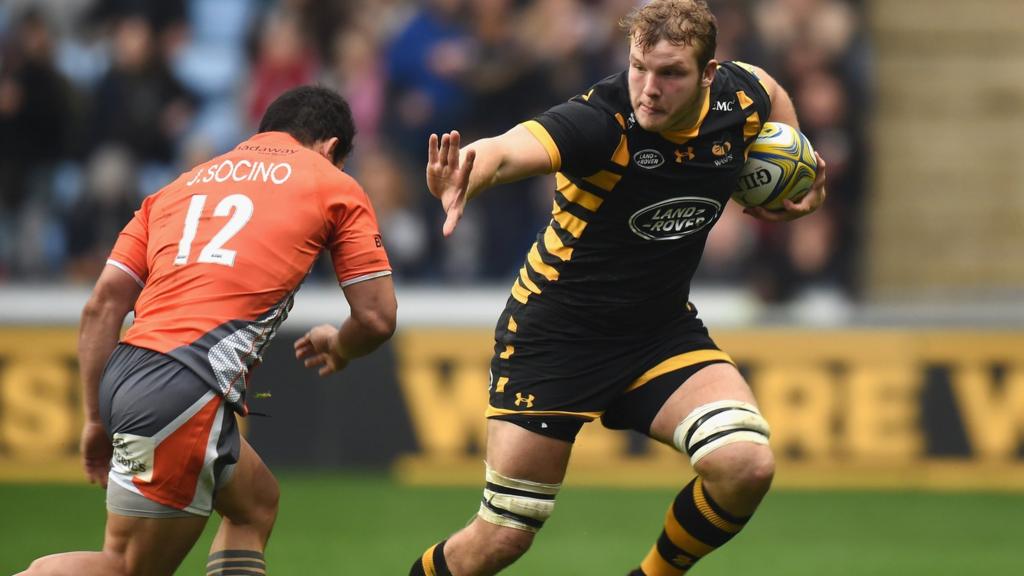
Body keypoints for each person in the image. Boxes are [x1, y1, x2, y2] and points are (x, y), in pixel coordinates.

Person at [409, 1, 827, 575]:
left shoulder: (741, 97)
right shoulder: (601, 121)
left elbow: (772, 90)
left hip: (658, 331)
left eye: (671, 73)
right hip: (555, 335)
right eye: (639, 67)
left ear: (709, 74)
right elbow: (509, 150)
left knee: (745, 464)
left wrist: (795, 161)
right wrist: (467, 172)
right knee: (501, 539)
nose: (648, 89)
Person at [18, 85, 397, 576]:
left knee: (256, 504)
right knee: (129, 566)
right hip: (186, 388)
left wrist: (94, 418)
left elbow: (102, 306)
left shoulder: (177, 188)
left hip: (130, 375)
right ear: (330, 149)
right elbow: (376, 317)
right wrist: (341, 346)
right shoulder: (330, 182)